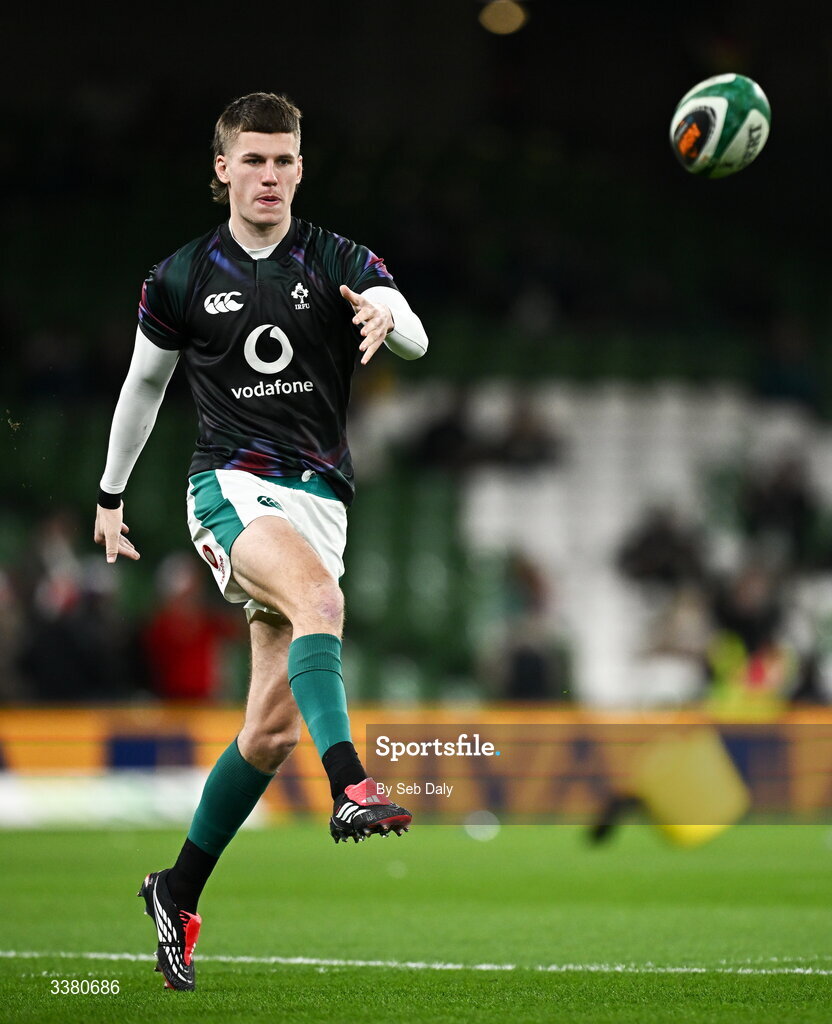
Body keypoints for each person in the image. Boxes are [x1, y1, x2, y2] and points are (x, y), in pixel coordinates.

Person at [93, 92, 428, 991]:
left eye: (283, 161)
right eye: (253, 160)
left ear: (299, 169)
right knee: (321, 602)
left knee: (270, 730)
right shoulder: (179, 276)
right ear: (222, 170)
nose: (270, 176)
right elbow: (141, 388)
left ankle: (177, 887)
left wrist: (387, 318)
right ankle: (352, 788)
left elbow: (417, 331)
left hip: (322, 500)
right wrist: (111, 495)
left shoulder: (336, 258)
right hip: (230, 488)